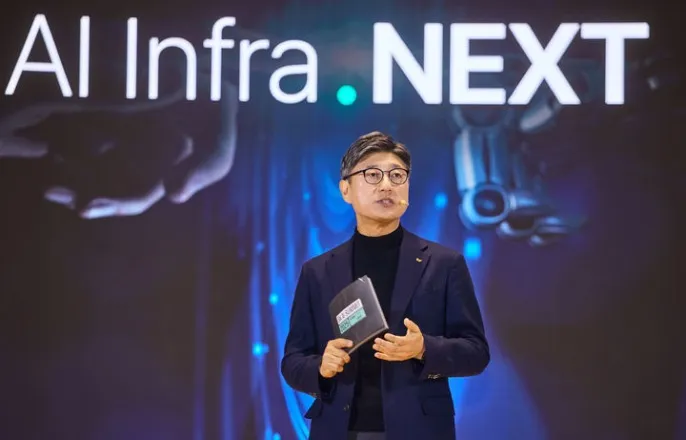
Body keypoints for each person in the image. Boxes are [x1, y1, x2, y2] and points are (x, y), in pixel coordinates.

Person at [280, 131, 490, 440]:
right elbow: (293, 361)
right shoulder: (317, 271)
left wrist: (424, 348)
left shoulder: (445, 264)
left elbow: (477, 352)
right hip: (339, 430)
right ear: (346, 189)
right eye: (372, 175)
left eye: (397, 175)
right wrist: (320, 367)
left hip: (419, 430)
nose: (386, 185)